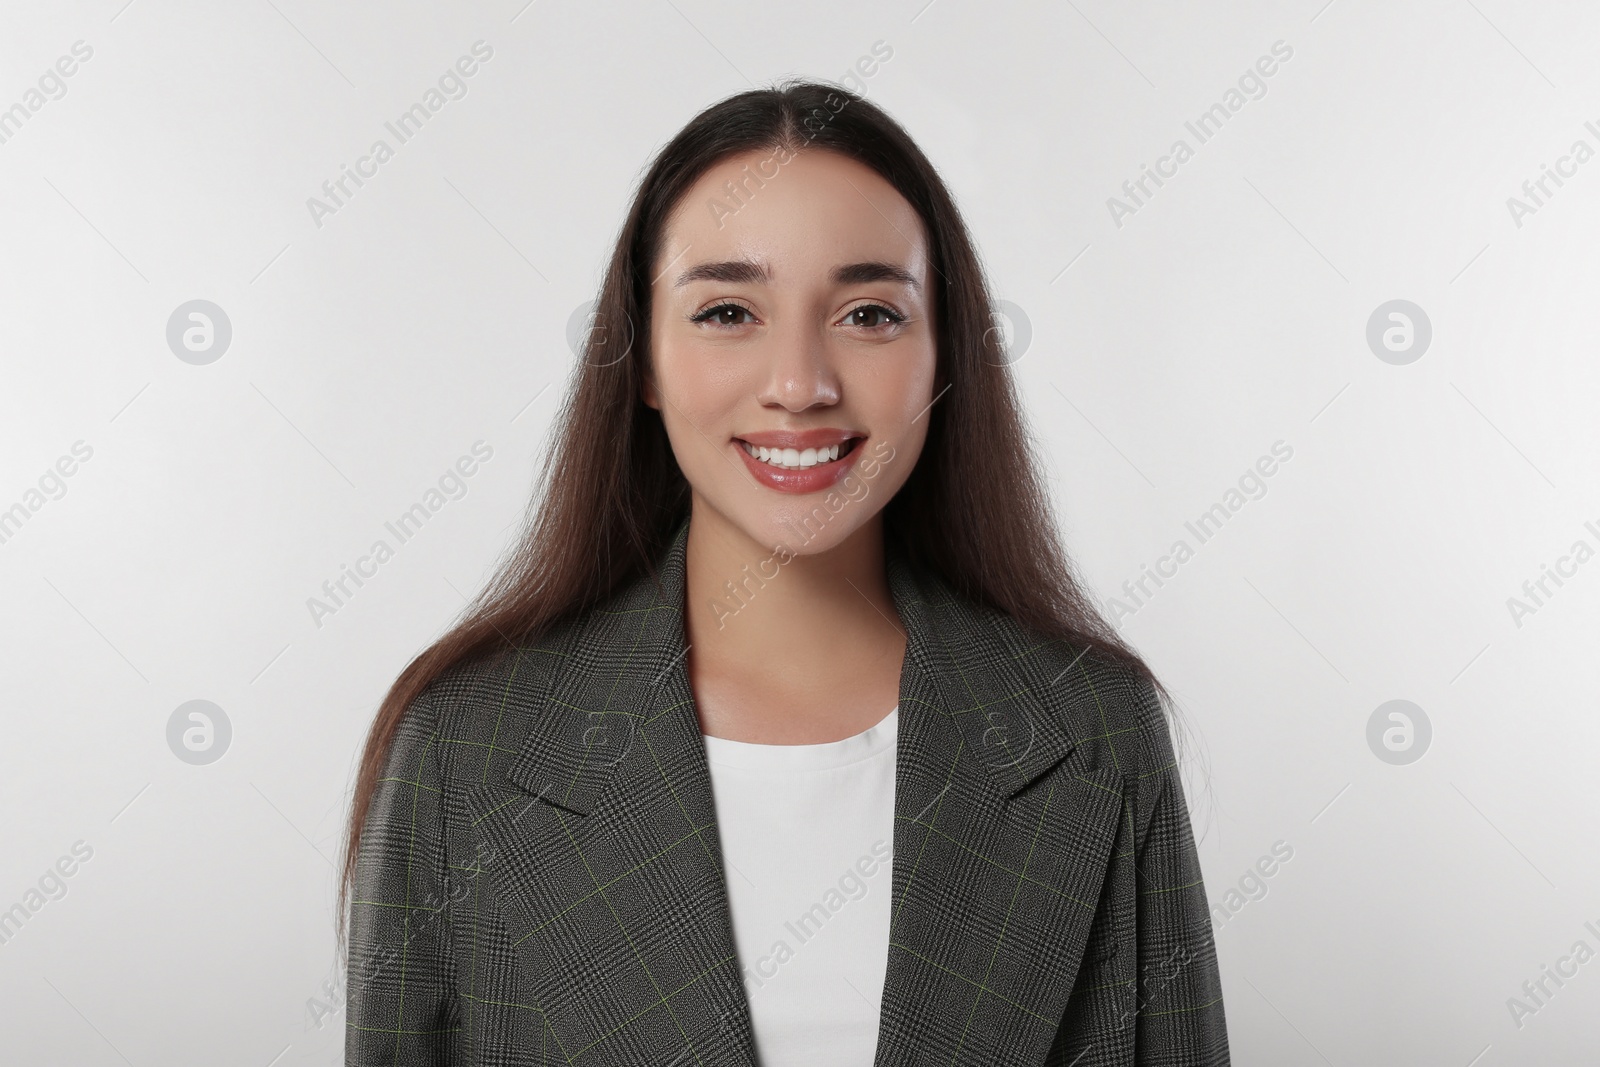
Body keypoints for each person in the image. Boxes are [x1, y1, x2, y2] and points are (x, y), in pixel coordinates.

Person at [341, 78, 1229, 1066]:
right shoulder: (465, 748)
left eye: (868, 314)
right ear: (640, 357)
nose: (800, 383)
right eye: (727, 310)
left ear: (943, 355)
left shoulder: (1094, 732)